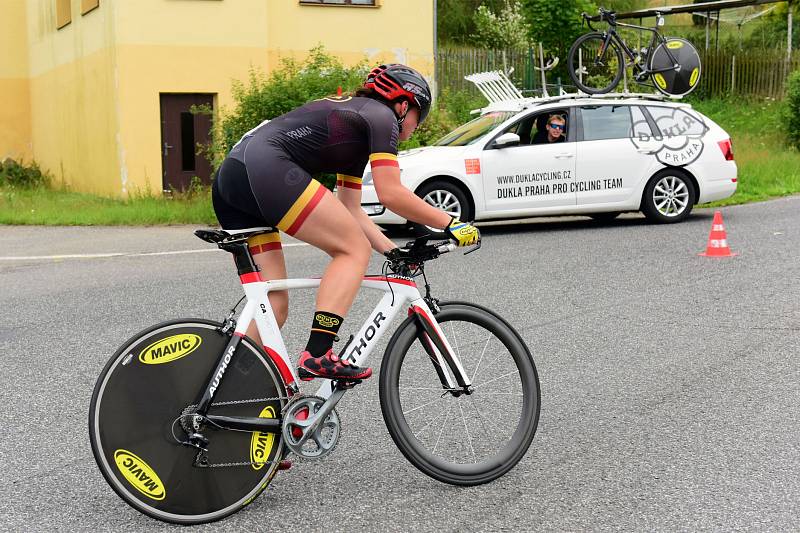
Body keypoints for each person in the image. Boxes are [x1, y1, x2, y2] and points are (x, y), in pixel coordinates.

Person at [211, 64, 480, 382]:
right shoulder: (382, 118)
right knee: (353, 248)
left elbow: (350, 207)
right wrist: (451, 222)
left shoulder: (356, 124)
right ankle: (319, 353)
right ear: (404, 105)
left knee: (274, 308)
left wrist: (392, 252)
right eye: (418, 117)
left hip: (233, 177)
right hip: (265, 168)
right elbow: (391, 193)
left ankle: (221, 388)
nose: (416, 127)